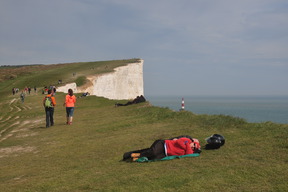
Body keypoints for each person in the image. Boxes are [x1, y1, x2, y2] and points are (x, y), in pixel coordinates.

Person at [123, 135, 201, 162]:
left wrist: (190, 147)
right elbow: (179, 142)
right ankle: (136, 155)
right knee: (152, 152)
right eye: (194, 144)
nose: (193, 146)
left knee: (154, 157)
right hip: (163, 144)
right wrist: (189, 144)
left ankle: (130, 156)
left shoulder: (189, 148)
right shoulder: (186, 140)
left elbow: (189, 154)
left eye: (194, 147)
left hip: (165, 153)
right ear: (193, 141)